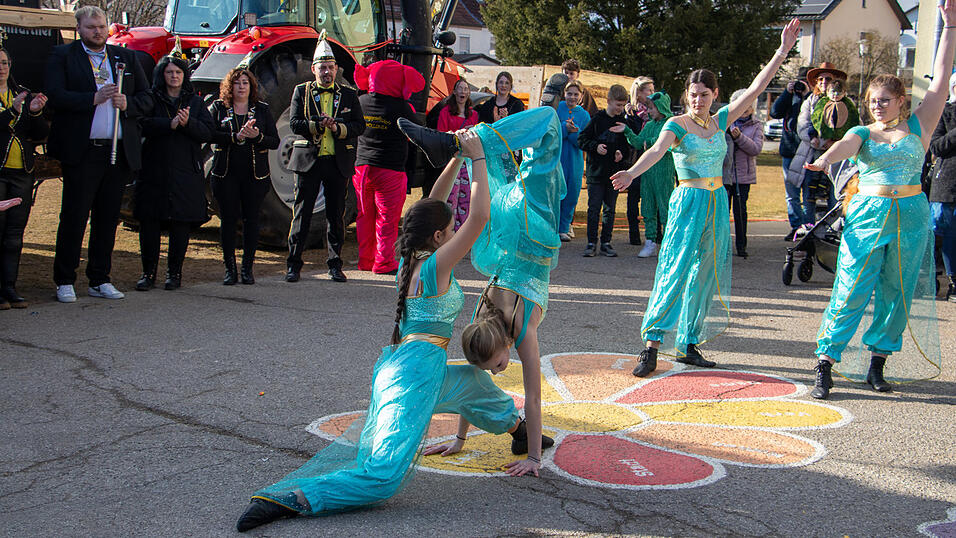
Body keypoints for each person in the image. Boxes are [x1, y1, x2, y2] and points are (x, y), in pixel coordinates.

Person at [235, 129, 525, 532]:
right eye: (447, 227)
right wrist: (477, 157)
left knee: (474, 383)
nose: (451, 226)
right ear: (439, 237)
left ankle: (521, 431)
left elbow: (434, 206)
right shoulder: (435, 267)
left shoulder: (412, 259)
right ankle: (293, 499)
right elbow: (478, 217)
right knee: (384, 476)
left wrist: (456, 157)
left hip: (420, 365)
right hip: (413, 374)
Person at [612, 19, 801, 376]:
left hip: (716, 203)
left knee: (704, 273)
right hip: (688, 201)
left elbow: (757, 88)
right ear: (686, 96)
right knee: (675, 269)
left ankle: (687, 343)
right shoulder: (676, 124)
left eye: (705, 94)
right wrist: (632, 173)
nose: (699, 99)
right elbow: (654, 152)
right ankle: (651, 345)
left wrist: (782, 51)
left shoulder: (722, 119)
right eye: (693, 94)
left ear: (715, 94)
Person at [804, 0, 956, 400]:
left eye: (884, 100)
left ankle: (877, 363)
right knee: (852, 285)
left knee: (897, 290)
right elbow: (844, 144)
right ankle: (826, 361)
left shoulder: (920, 124)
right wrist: (823, 159)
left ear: (901, 101)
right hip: (869, 213)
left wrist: (950, 27)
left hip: (911, 214)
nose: (876, 106)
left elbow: (940, 80)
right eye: (872, 101)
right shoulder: (864, 132)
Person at [416, 106, 565, 477]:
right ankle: (459, 145)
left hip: (533, 225)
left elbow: (533, 397)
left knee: (548, 123)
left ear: (499, 347)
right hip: (505, 219)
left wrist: (533, 459)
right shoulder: (482, 322)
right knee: (498, 153)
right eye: (497, 368)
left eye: (497, 364)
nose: (499, 371)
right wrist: (459, 440)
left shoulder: (520, 329)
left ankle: (461, 143)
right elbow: (472, 389)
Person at [45, 5, 149, 303]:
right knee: (75, 216)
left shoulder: (125, 57)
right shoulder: (63, 56)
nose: (98, 32)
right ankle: (64, 279)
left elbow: (146, 99)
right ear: (79, 29)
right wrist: (91, 98)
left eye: (102, 26)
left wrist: (127, 103)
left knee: (107, 217)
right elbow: (55, 95)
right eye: (91, 27)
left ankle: (100, 278)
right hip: (82, 151)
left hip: (116, 152)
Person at [285, 31, 365, 284]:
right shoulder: (302, 91)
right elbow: (295, 123)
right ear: (313, 69)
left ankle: (334, 265)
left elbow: (359, 126)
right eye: (322, 68)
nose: (327, 72)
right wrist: (317, 126)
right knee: (302, 214)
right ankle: (293, 265)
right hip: (309, 161)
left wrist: (337, 129)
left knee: (336, 216)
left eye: (330, 68)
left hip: (337, 163)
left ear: (336, 68)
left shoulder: (349, 94)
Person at [134, 52, 214, 291]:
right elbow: (140, 123)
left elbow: (207, 133)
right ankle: (148, 273)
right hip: (154, 169)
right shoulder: (151, 98)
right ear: (162, 74)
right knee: (150, 223)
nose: (174, 76)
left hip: (185, 171)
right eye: (169, 72)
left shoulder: (195, 102)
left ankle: (174, 273)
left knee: (181, 223)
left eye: (178, 72)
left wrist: (188, 123)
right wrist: (168, 124)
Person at [351, 59, 424, 275]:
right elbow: (415, 134)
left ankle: (365, 260)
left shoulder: (361, 101)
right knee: (387, 219)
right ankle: (383, 263)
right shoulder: (402, 107)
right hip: (390, 169)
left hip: (362, 168)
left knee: (364, 216)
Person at [209, 67, 280, 285]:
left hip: (254, 175)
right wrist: (234, 137)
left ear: (251, 86)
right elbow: (209, 135)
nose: (241, 87)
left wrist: (257, 136)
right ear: (229, 86)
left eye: (245, 83)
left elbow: (274, 141)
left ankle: (247, 268)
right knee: (228, 220)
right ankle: (230, 269)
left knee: (252, 220)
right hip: (226, 174)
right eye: (237, 83)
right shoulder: (219, 108)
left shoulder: (261, 110)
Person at [0, 47, 48, 310]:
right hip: (0, 171)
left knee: (14, 234)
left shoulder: (20, 92)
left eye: (5, 62)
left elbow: (39, 133)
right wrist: (12, 112)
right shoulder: (12, 101)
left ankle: (10, 287)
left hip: (22, 172)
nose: (2, 67)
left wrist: (36, 111)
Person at [786, 62, 850, 227]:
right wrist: (820, 141)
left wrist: (836, 143)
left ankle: (832, 233)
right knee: (809, 196)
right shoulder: (811, 101)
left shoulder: (846, 102)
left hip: (836, 157)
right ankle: (809, 234)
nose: (823, 82)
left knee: (835, 197)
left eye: (827, 79)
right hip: (812, 154)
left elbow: (854, 126)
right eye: (819, 79)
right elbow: (802, 125)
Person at [618, 91, 676, 258]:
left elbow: (665, 144)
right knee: (648, 207)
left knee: (665, 208)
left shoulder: (670, 124)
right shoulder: (649, 125)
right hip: (648, 174)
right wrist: (627, 131)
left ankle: (669, 243)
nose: (649, 112)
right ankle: (650, 241)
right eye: (648, 108)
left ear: (661, 107)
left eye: (651, 108)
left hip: (664, 174)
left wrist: (649, 143)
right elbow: (638, 142)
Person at [578, 83, 629, 257]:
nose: (620, 109)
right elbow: (582, 139)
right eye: (618, 105)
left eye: (623, 106)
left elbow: (627, 145)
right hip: (596, 173)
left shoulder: (623, 121)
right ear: (609, 101)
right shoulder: (597, 119)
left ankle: (606, 242)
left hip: (613, 173)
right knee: (594, 208)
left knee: (610, 209)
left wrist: (620, 152)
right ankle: (591, 242)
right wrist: (595, 146)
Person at [721, 89, 764, 259]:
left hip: (743, 177)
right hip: (725, 175)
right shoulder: (726, 122)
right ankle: (722, 246)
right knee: (723, 212)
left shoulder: (756, 126)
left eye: (748, 105)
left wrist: (739, 138)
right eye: (741, 105)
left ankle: (741, 245)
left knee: (740, 212)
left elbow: (755, 149)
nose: (744, 108)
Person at [770, 67, 811, 240]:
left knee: (809, 194)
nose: (801, 86)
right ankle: (796, 226)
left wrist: (807, 94)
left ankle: (809, 228)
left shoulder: (814, 99)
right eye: (799, 82)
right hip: (789, 150)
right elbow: (775, 112)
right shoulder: (791, 96)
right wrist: (787, 93)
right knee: (792, 195)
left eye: (805, 82)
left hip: (808, 151)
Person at [437, 77, 478, 230]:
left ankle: (461, 233)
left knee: (466, 198)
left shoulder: (473, 114)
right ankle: (448, 230)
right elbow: (441, 134)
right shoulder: (445, 112)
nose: (463, 91)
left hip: (467, 161)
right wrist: (458, 133)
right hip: (451, 160)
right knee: (451, 197)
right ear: (454, 92)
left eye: (466, 89)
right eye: (460, 88)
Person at [929, 72, 956, 302]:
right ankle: (941, 277)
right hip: (946, 184)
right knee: (941, 232)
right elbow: (936, 146)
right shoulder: (943, 113)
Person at [623, 76, 655, 246]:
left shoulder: (656, 112)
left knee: (653, 199)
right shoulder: (631, 114)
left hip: (653, 161)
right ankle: (634, 234)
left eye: (652, 89)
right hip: (635, 160)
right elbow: (630, 138)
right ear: (639, 92)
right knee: (633, 199)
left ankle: (656, 233)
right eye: (649, 90)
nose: (652, 93)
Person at [557, 80, 590, 242]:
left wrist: (573, 132)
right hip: (557, 159)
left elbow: (584, 140)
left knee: (571, 193)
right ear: (564, 94)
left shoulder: (584, 115)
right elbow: (552, 133)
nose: (572, 97)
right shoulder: (558, 109)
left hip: (575, 160)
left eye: (576, 94)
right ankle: (553, 227)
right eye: (569, 93)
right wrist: (564, 128)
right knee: (556, 192)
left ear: (581, 96)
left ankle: (564, 227)